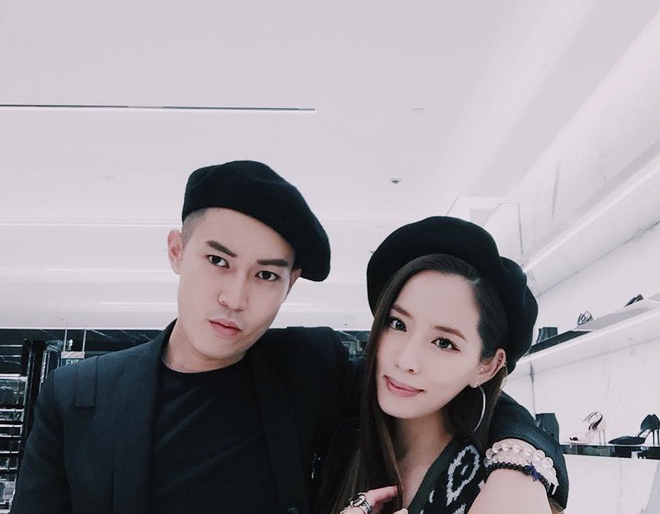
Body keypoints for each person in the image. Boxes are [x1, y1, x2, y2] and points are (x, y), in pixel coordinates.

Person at [11, 162, 567, 514]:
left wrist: (520, 470)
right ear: (177, 251)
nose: (235, 296)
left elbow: (448, 387)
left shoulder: (309, 367)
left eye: (266, 275)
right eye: (217, 261)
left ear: (290, 284)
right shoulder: (79, 394)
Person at [324, 217, 564, 514]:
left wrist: (520, 460)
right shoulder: (337, 442)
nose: (406, 360)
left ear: (487, 367)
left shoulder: (500, 488)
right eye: (397, 324)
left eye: (444, 343)